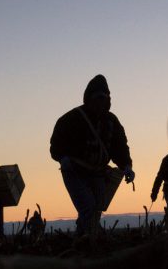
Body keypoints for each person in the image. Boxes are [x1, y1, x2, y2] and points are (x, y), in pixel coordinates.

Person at [50, 74, 135, 235]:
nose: (101, 101)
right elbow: (56, 145)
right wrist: (63, 158)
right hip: (75, 171)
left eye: (104, 97)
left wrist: (127, 166)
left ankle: (87, 239)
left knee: (96, 210)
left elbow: (120, 147)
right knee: (88, 208)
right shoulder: (71, 118)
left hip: (98, 173)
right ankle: (88, 241)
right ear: (88, 98)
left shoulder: (112, 121)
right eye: (97, 97)